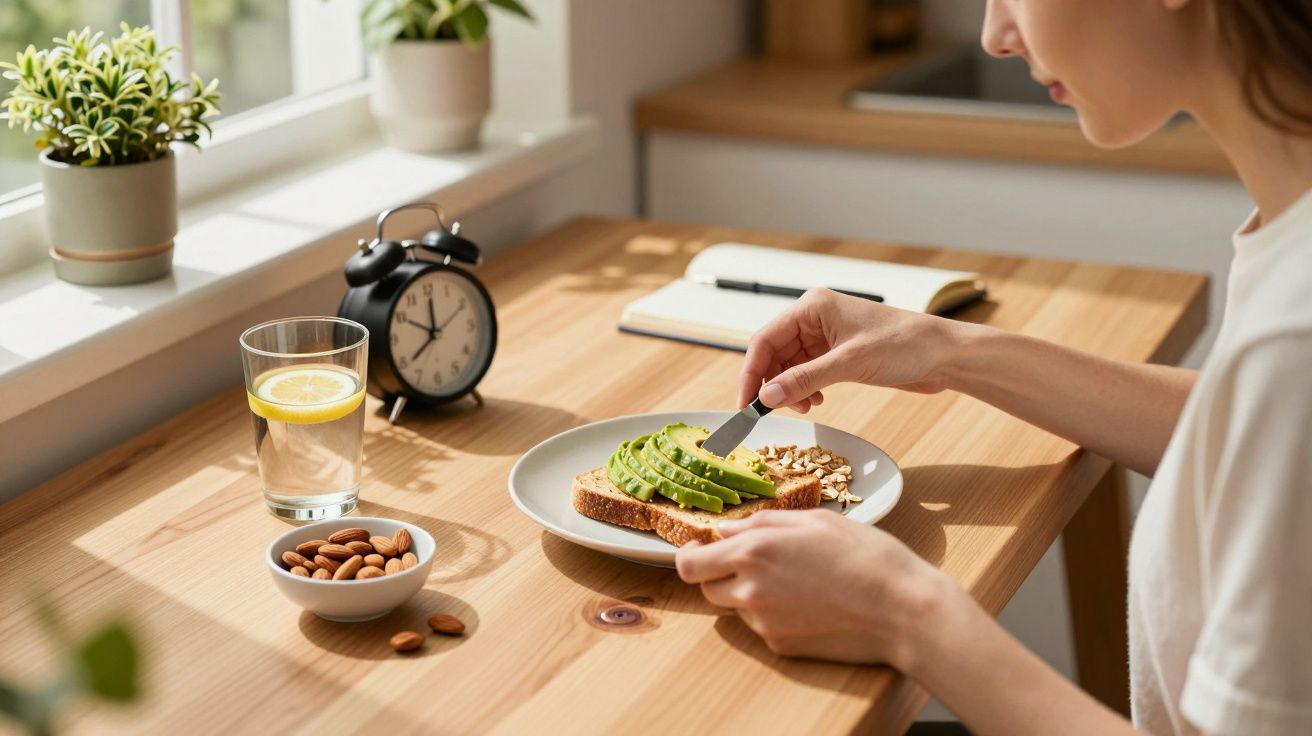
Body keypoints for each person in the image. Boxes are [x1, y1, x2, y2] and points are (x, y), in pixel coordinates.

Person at [674, 1, 1312, 733]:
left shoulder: (1295, 334)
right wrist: (945, 350)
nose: (994, 35)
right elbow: (1251, 444)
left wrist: (908, 614)